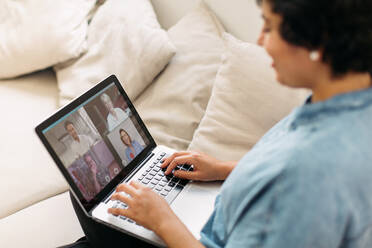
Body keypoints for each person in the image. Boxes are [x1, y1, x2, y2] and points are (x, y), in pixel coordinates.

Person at [64, 0, 372, 247]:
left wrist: (163, 221)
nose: (261, 41)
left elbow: (290, 181)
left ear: (318, 39)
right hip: (216, 219)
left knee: (89, 193)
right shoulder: (347, 102)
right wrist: (222, 168)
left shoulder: (309, 176)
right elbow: (277, 174)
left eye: (269, 26)